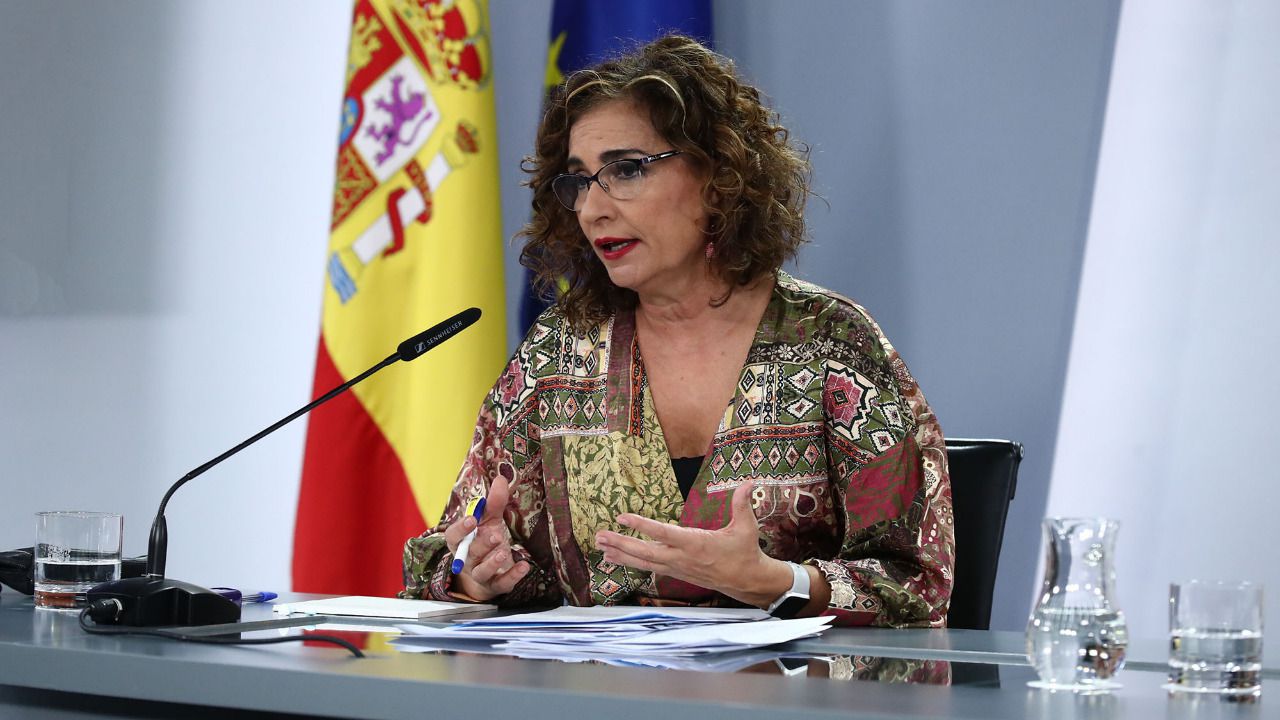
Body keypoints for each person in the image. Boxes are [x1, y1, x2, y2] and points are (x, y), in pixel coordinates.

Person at [402, 35, 953, 627]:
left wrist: (778, 583)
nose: (593, 209)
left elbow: (917, 584)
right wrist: (476, 573)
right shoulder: (558, 357)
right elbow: (449, 555)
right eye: (580, 180)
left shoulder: (830, 345)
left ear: (718, 174)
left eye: (627, 170)